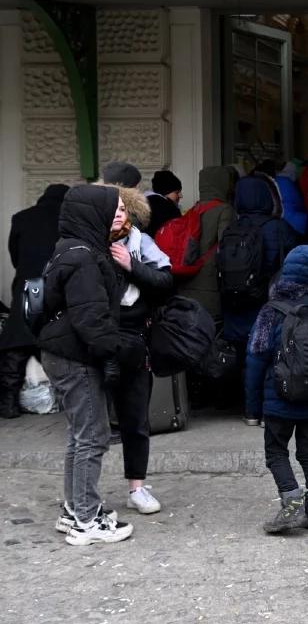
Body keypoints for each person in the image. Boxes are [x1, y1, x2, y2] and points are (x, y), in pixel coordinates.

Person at [40, 185, 141, 545]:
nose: (118, 214)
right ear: (92, 213)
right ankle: (85, 518)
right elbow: (90, 319)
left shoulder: (73, 248)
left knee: (80, 435)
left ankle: (74, 509)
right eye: (111, 208)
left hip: (65, 351)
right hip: (75, 356)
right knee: (93, 436)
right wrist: (118, 350)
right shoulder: (83, 256)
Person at [245, 245, 308, 535]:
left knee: (275, 451)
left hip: (279, 397)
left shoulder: (271, 311)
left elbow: (255, 359)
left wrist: (252, 408)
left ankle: (291, 500)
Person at [108, 186, 174, 515]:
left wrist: (131, 266)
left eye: (123, 209)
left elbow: (165, 282)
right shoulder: (85, 244)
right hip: (96, 342)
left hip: (135, 339)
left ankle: (137, 487)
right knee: (90, 426)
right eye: (113, 208)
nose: (119, 214)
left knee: (135, 419)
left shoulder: (140, 243)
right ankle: (82, 494)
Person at [221, 176, 299, 424]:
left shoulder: (231, 229)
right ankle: (269, 412)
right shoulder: (278, 228)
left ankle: (250, 411)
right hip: (269, 303)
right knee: (270, 358)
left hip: (236, 303)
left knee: (248, 359)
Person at [0, 184, 67, 419]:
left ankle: (8, 403)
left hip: (29, 285)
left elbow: (15, 254)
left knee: (19, 343)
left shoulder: (22, 218)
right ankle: (69, 401)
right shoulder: (67, 220)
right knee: (58, 342)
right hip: (58, 287)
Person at [177, 165, 237, 327]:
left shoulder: (193, 209)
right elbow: (225, 245)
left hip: (186, 281)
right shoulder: (225, 210)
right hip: (210, 284)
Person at [272, 159, 308, 236]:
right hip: (295, 223)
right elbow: (300, 204)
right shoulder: (288, 183)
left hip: (277, 223)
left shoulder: (272, 182)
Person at [145, 170, 182, 237]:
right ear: (165, 192)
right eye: (177, 192)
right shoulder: (166, 207)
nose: (181, 196)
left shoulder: (146, 202)